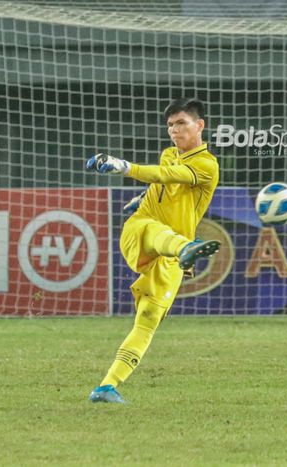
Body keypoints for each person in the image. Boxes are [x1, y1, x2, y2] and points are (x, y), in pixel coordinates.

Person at [86, 98, 220, 403]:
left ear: (199, 126)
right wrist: (142, 196)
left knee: (148, 319)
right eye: (170, 125)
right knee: (156, 230)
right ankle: (187, 247)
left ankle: (108, 386)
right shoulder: (169, 154)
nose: (174, 130)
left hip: (172, 258)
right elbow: (162, 180)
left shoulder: (207, 165)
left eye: (181, 123)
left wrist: (124, 167)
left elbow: (168, 177)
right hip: (142, 231)